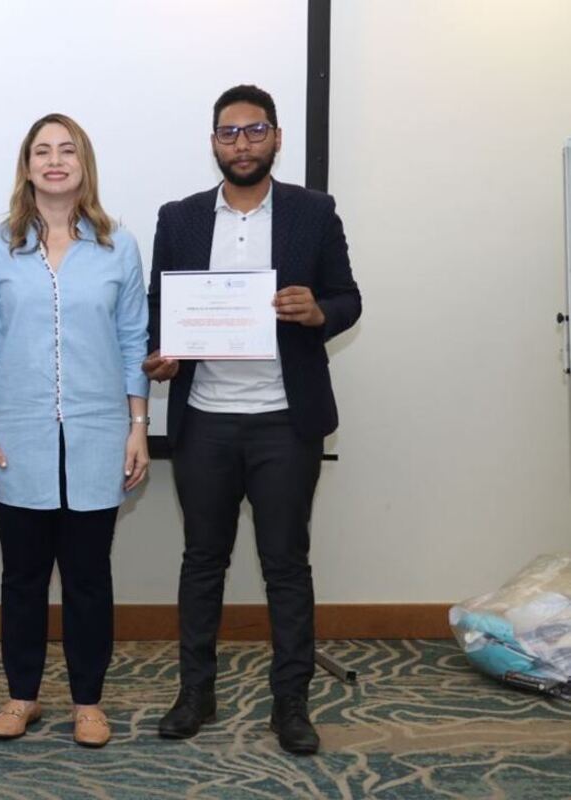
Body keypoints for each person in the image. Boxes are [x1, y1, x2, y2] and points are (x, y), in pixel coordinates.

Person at [144, 84, 361, 755]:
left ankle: (290, 705)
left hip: (283, 421)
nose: (242, 143)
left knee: (285, 565)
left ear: (275, 138)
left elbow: (347, 298)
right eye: (229, 133)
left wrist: (319, 312)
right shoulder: (178, 218)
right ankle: (195, 693)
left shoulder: (312, 212)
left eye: (255, 130)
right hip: (205, 420)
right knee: (202, 561)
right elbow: (160, 310)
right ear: (213, 142)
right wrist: (162, 357)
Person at [0, 114, 149, 748]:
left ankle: (88, 702)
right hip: (15, 437)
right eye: (43, 151)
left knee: (90, 576)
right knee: (23, 575)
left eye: (68, 150)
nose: (55, 160)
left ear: (84, 164)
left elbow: (132, 341)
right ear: (27, 165)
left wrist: (139, 426)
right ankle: (22, 696)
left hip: (97, 434)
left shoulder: (119, 246)